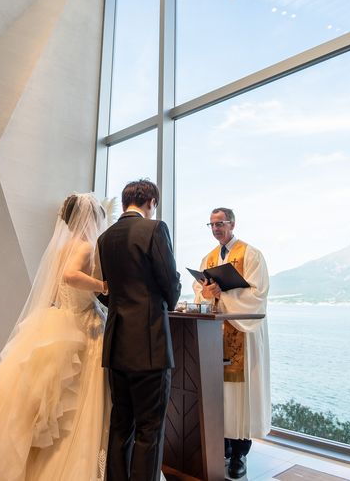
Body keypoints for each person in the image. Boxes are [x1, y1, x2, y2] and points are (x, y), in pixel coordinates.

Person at [0, 193, 110, 481]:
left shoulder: (62, 247)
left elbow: (55, 288)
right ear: (90, 219)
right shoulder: (84, 246)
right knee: (74, 403)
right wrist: (102, 286)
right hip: (81, 325)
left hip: (60, 318)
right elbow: (70, 276)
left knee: (44, 403)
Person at [95, 179, 181, 481]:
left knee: (121, 425)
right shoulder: (154, 229)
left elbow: (103, 290)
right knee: (149, 429)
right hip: (149, 344)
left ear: (124, 202)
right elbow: (169, 280)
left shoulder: (105, 238)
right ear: (151, 202)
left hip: (116, 344)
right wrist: (170, 299)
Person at [193, 207, 271, 480]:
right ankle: (223, 447)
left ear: (232, 224)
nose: (216, 229)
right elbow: (200, 293)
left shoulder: (251, 255)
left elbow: (258, 294)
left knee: (241, 395)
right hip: (215, 336)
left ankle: (240, 454)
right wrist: (207, 292)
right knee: (220, 393)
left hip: (242, 335)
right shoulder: (209, 258)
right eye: (212, 225)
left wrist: (223, 294)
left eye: (220, 224)